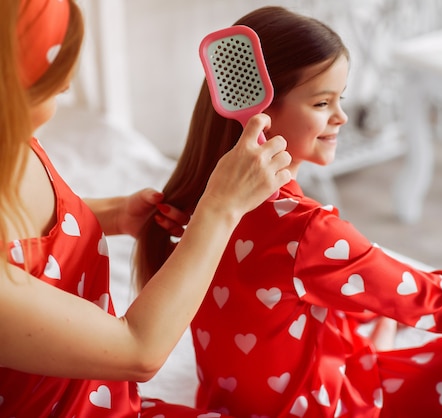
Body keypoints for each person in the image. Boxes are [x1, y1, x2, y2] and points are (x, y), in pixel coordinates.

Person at [135, 6, 442, 418]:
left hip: (228, 398)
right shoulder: (306, 230)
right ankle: (381, 338)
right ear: (260, 112)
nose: (341, 118)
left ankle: (379, 334)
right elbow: (434, 297)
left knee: (352, 305)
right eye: (321, 103)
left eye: (341, 99)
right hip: (320, 406)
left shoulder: (200, 208)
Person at [0, 0, 291, 417]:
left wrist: (112, 215)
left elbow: (26, 243)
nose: (67, 87)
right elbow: (139, 350)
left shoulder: (14, 143)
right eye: (53, 74)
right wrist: (220, 209)